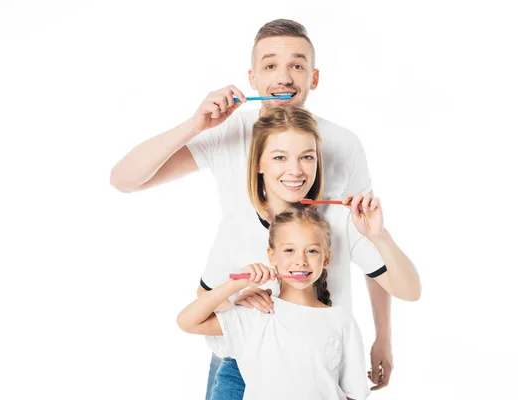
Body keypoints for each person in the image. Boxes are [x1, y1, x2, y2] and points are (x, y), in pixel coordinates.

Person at [110, 19, 395, 396]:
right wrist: (195, 124)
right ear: (252, 77)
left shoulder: (343, 143)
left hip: (320, 347)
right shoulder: (228, 132)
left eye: (297, 65)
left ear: (314, 77)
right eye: (270, 65)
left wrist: (383, 337)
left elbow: (370, 244)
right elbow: (124, 179)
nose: (284, 77)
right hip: (242, 347)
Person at [196, 106, 420, 399]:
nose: (296, 170)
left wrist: (380, 237)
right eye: (279, 157)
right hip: (243, 372)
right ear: (258, 164)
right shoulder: (237, 226)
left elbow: (409, 291)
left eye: (307, 157)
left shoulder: (341, 221)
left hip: (319, 370)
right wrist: (235, 302)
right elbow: (204, 298)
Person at [177, 203, 421, 400]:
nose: (301, 261)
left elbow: (353, 394)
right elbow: (188, 322)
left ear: (326, 259)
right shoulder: (256, 313)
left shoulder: (341, 321)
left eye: (312, 251)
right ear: (272, 256)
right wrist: (236, 284)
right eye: (289, 251)